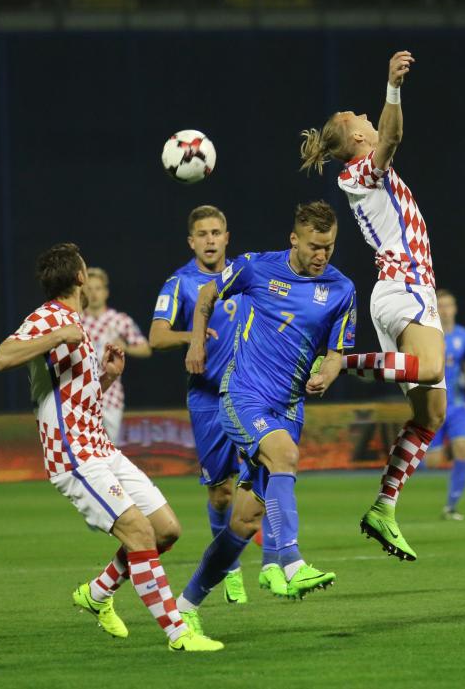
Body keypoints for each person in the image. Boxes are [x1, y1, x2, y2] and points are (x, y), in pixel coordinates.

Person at [0, 242, 221, 652]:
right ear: (80, 277)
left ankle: (97, 594)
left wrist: (108, 376)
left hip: (100, 447)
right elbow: (1, 357)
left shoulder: (75, 322)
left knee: (166, 530)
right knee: (139, 532)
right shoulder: (50, 317)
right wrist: (55, 335)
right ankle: (178, 634)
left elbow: (74, 397)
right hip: (73, 454)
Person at [172, 202, 357, 636]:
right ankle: (291, 562)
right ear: (294, 240)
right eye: (314, 246)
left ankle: (185, 605)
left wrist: (328, 374)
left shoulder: (342, 289)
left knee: (243, 522)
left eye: (328, 247)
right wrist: (196, 342)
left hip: (289, 408)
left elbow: (337, 353)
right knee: (285, 455)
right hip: (243, 396)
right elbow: (207, 293)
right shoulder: (256, 267)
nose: (321, 255)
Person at [298, 50, 447, 562]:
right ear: (358, 137)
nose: (363, 114)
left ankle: (384, 507)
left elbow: (389, 138)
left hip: (410, 291)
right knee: (431, 367)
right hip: (403, 287)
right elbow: (393, 136)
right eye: (356, 116)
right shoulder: (359, 173)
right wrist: (392, 87)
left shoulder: (365, 173)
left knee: (431, 414)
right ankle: (341, 361)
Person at [149, 205, 266, 604]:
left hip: (249, 395)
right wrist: (193, 337)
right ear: (191, 241)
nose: (210, 240)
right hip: (206, 398)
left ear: (227, 237)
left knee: (264, 476)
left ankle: (280, 558)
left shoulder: (245, 275)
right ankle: (228, 567)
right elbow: (157, 336)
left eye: (216, 232)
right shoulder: (179, 283)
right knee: (221, 494)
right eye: (202, 234)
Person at [424, 289, 465, 520]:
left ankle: (451, 506)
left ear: (455, 308)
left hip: (457, 405)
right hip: (433, 406)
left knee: (462, 449)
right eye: (441, 305)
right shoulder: (427, 335)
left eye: (449, 305)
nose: (446, 310)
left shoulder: (464, 336)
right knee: (432, 462)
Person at [81, 266, 151, 446]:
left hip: (111, 397)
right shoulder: (77, 321)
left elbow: (145, 349)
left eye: (98, 288)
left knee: (110, 450)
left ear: (106, 292)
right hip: (81, 397)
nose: (94, 294)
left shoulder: (119, 320)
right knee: (84, 451)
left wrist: (126, 347)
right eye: (89, 289)